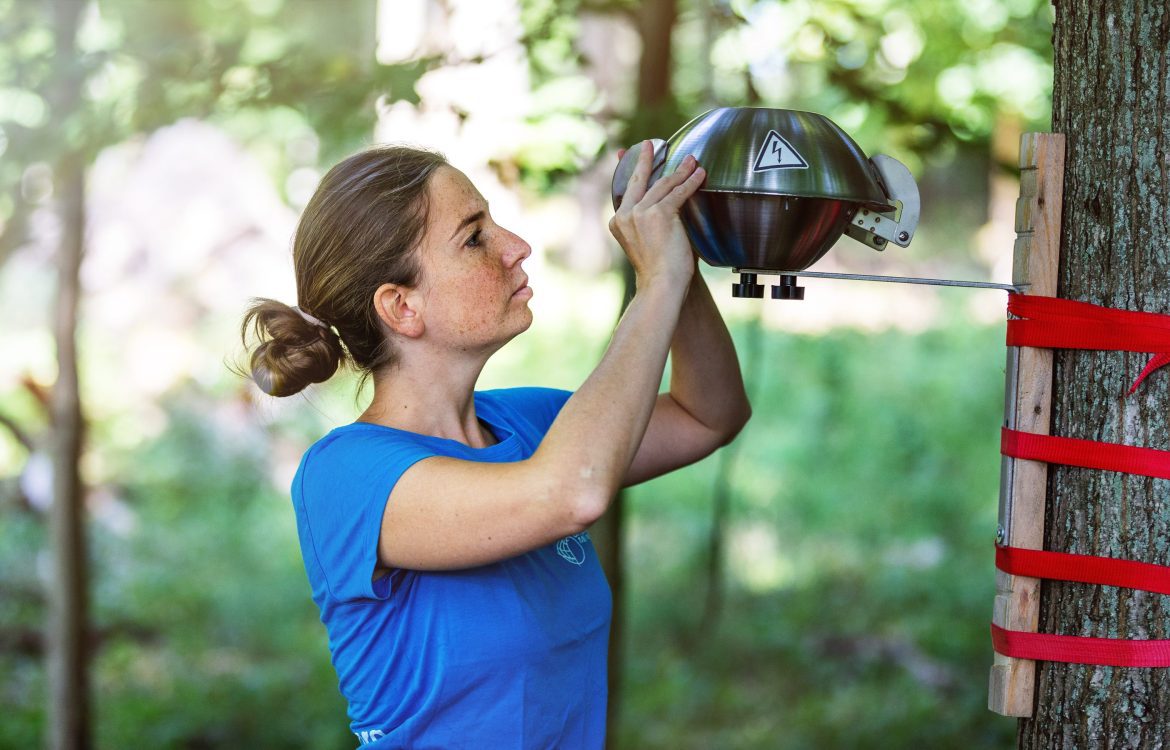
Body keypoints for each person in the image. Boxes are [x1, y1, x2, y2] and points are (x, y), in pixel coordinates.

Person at [239, 140, 750, 749]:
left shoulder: (531, 426)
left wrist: (678, 252)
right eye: (474, 237)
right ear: (402, 306)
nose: (517, 246)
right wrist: (657, 281)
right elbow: (571, 492)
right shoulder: (347, 476)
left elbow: (707, 414)